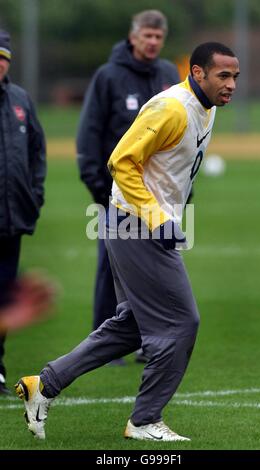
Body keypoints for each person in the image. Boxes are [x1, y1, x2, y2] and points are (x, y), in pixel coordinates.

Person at [15, 42, 239, 441]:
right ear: (198, 73)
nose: (231, 84)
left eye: (235, 76)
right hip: (134, 224)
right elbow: (120, 161)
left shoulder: (208, 107)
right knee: (182, 322)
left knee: (133, 325)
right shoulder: (172, 107)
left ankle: (44, 384)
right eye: (224, 75)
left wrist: (173, 211)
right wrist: (158, 219)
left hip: (145, 223)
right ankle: (145, 420)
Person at [76, 10, 180, 364]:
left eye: (158, 37)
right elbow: (89, 133)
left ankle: (150, 338)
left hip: (162, 199)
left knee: (160, 265)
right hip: (117, 195)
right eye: (146, 36)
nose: (152, 42)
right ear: (133, 37)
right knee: (111, 268)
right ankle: (106, 344)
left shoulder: (168, 74)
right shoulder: (108, 77)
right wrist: (97, 187)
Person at [0, 30, 46, 395]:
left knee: (4, 294)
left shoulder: (19, 100)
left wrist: (35, 197)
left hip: (12, 219)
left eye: (3, 58)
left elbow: (36, 153)